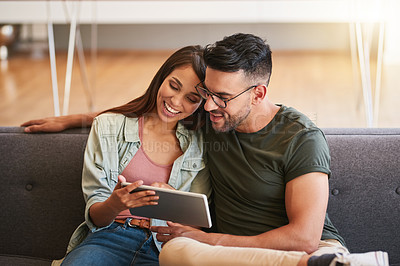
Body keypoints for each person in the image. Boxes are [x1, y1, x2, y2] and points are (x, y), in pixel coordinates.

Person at [22, 33, 389, 266]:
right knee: (181, 252)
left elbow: (304, 237)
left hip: (293, 248)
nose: (210, 106)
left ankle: (330, 261)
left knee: (187, 250)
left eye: (220, 98)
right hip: (194, 250)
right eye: (208, 96)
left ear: (258, 93)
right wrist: (76, 119)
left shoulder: (296, 137)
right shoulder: (213, 125)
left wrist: (205, 235)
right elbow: (147, 112)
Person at [48, 45, 211, 266]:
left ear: (202, 104)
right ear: (161, 78)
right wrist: (114, 204)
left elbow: (197, 226)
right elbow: (96, 216)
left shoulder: (202, 142)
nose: (175, 102)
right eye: (174, 86)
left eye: (191, 99)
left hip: (166, 246)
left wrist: (174, 198)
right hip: (109, 236)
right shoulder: (109, 127)